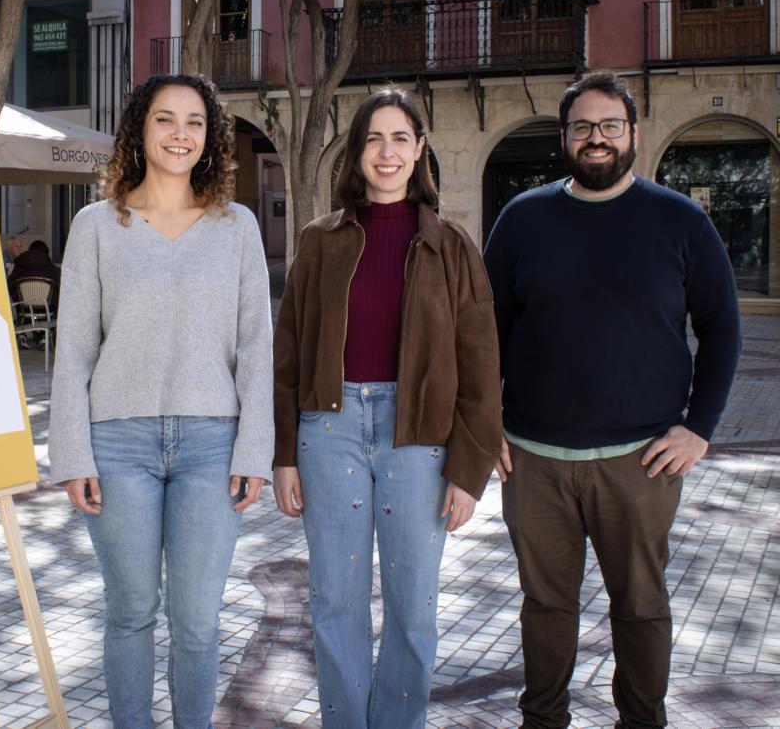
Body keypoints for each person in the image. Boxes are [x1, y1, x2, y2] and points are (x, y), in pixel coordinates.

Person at [483, 72, 742, 729]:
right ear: (564, 137)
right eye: (582, 127)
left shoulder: (680, 220)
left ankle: (642, 722)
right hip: (534, 461)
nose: (596, 138)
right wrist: (485, 421)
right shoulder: (522, 218)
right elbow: (484, 332)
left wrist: (699, 427)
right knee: (545, 607)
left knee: (642, 608)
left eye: (609, 126)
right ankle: (543, 720)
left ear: (633, 134)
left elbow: (722, 326)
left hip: (641, 460)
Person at [272, 88, 502, 729]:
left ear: (420, 149)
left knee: (412, 608)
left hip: (418, 438)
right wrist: (284, 455)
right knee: (334, 601)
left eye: (400, 138)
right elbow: (288, 353)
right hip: (329, 428)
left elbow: (481, 365)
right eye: (373, 138)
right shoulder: (319, 241)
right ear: (356, 153)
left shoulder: (452, 246)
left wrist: (469, 469)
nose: (387, 151)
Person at [49, 73, 273, 729]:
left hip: (213, 445)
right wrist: (72, 454)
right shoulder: (95, 226)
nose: (181, 134)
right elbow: (74, 351)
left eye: (195, 122)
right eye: (166, 120)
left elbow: (258, 346)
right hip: (117, 445)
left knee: (198, 621)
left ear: (211, 137)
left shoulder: (238, 227)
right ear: (139, 131)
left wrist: (254, 450)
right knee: (130, 613)